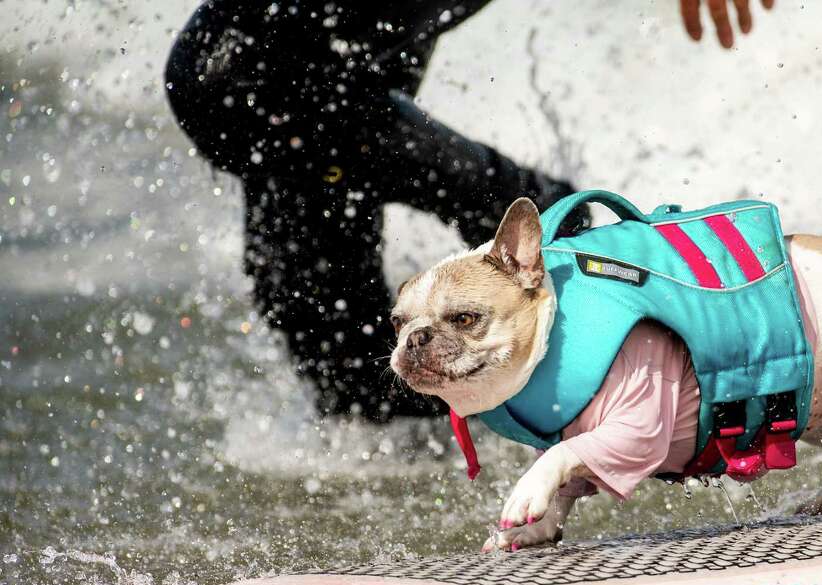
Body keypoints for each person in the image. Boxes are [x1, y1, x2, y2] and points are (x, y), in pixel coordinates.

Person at [164, 0, 777, 421]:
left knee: (337, 332)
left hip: (324, 68)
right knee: (522, 214)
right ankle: (647, 368)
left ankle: (627, 373)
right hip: (254, 79)